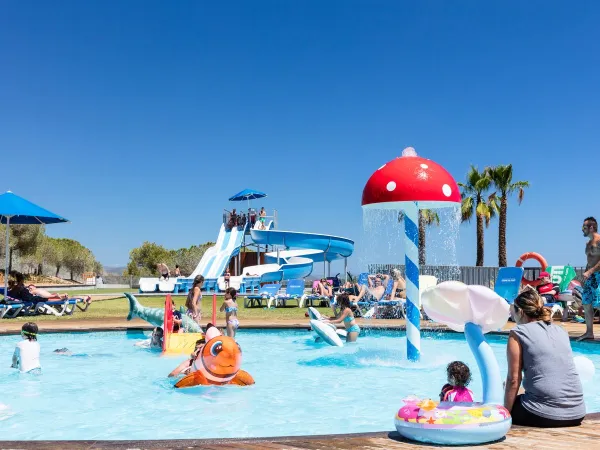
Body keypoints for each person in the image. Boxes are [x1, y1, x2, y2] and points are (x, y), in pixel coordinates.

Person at [505, 287, 585, 427]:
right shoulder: (561, 330)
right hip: (577, 412)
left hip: (543, 413)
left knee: (506, 397)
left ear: (521, 312)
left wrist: (505, 415)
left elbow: (514, 380)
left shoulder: (518, 332)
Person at [577, 217, 600, 341]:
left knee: (599, 302)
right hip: (590, 277)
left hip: (599, 275)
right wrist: (586, 273)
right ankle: (589, 332)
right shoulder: (587, 244)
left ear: (591, 227)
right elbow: (590, 261)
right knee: (586, 303)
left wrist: (590, 271)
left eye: (584, 228)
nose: (582, 231)